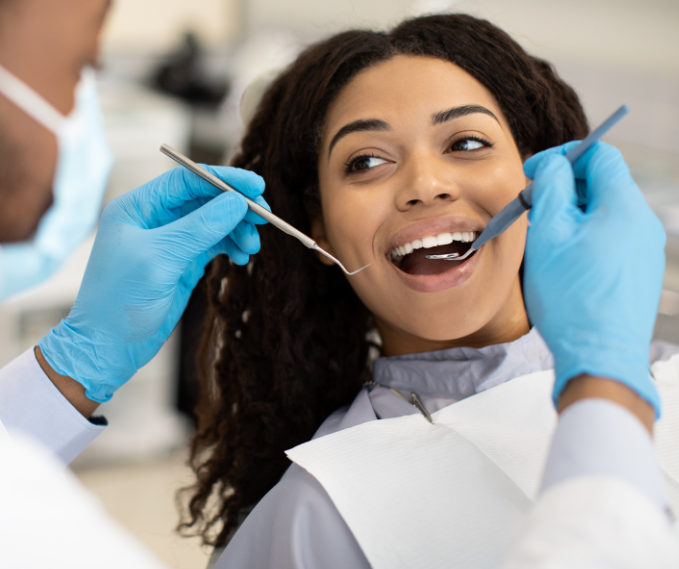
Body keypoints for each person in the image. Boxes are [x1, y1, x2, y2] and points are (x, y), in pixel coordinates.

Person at [0, 4, 675, 568]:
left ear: (539, 179)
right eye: (366, 160)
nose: (424, 184)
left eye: (465, 144)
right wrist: (72, 364)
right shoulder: (312, 515)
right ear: (316, 232)